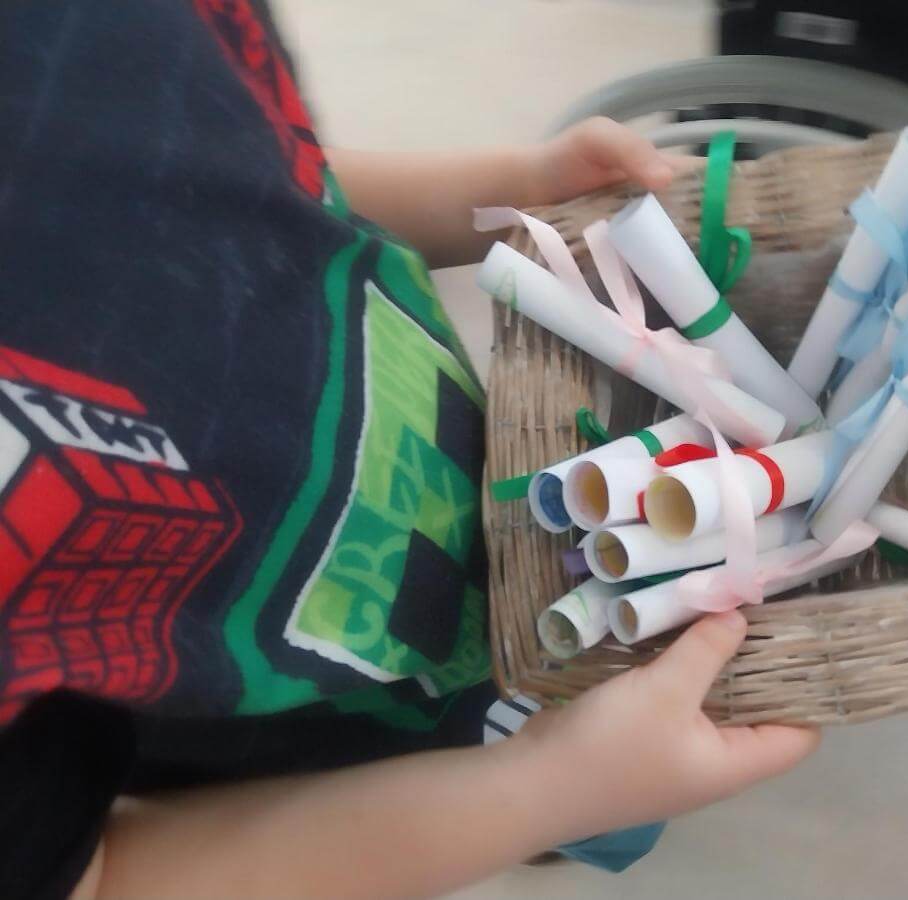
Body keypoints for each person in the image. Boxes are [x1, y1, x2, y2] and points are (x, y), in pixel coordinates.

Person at [0, 2, 819, 897]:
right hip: (359, 764)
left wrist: (513, 187)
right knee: (589, 772)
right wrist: (544, 791)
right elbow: (100, 879)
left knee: (621, 724)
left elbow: (243, 164)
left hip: (508, 520)